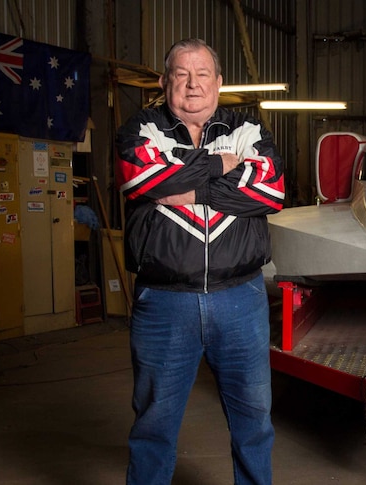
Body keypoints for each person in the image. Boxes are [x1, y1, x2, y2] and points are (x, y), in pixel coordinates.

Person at [116, 38, 285, 485]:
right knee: (153, 427)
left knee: (254, 424)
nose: (192, 86)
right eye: (181, 75)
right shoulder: (140, 129)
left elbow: (270, 191)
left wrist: (181, 182)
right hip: (164, 302)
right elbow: (144, 177)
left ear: (219, 82)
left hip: (241, 298)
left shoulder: (248, 130)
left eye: (202, 75)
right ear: (164, 81)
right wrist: (225, 166)